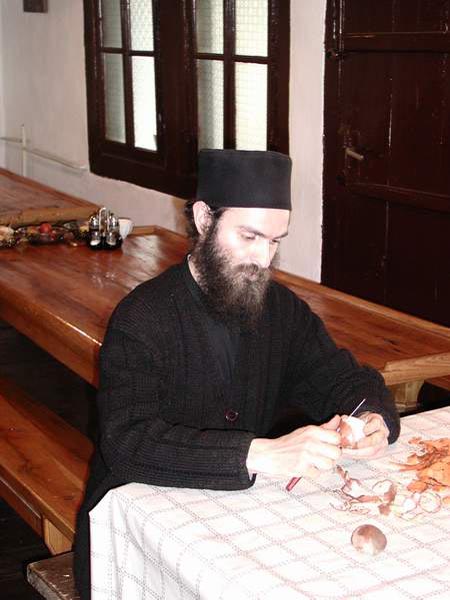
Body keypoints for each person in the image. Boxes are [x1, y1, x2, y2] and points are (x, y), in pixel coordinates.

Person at [74, 149, 400, 598]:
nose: (263, 259)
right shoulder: (142, 317)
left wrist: (373, 420)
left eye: (275, 241)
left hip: (234, 512)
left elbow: (345, 381)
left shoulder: (282, 310)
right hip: (142, 517)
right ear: (205, 219)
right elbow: (127, 441)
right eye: (249, 236)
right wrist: (258, 454)